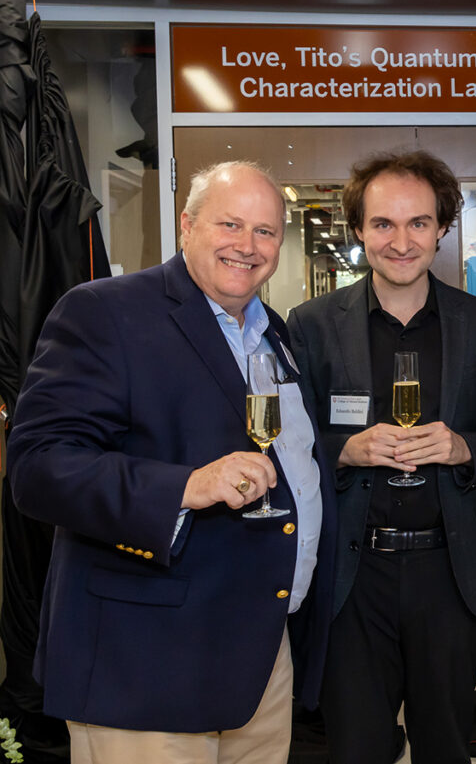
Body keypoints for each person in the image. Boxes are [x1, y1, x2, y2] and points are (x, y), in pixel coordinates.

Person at [7, 161, 336, 764]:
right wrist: (184, 486)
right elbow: (38, 466)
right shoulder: (105, 312)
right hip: (147, 664)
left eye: (265, 231)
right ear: (186, 226)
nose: (248, 245)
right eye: (230, 224)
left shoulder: (275, 334)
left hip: (261, 656)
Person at [287, 149, 476, 764]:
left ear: (442, 227)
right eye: (383, 224)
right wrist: (346, 450)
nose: (401, 241)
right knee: (357, 749)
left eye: (418, 222)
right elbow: (289, 442)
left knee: (446, 747)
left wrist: (461, 446)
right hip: (350, 578)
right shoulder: (311, 324)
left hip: (450, 575)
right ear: (359, 229)